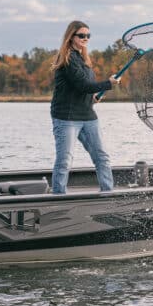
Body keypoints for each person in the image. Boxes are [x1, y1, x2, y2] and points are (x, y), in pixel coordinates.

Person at [50, 20, 121, 194]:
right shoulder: (67, 58)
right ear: (71, 37)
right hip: (66, 118)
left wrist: (93, 98)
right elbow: (82, 85)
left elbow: (86, 87)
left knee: (102, 157)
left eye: (88, 35)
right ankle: (58, 196)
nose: (85, 38)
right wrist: (108, 83)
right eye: (81, 35)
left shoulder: (83, 59)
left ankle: (107, 193)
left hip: (88, 116)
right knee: (64, 161)